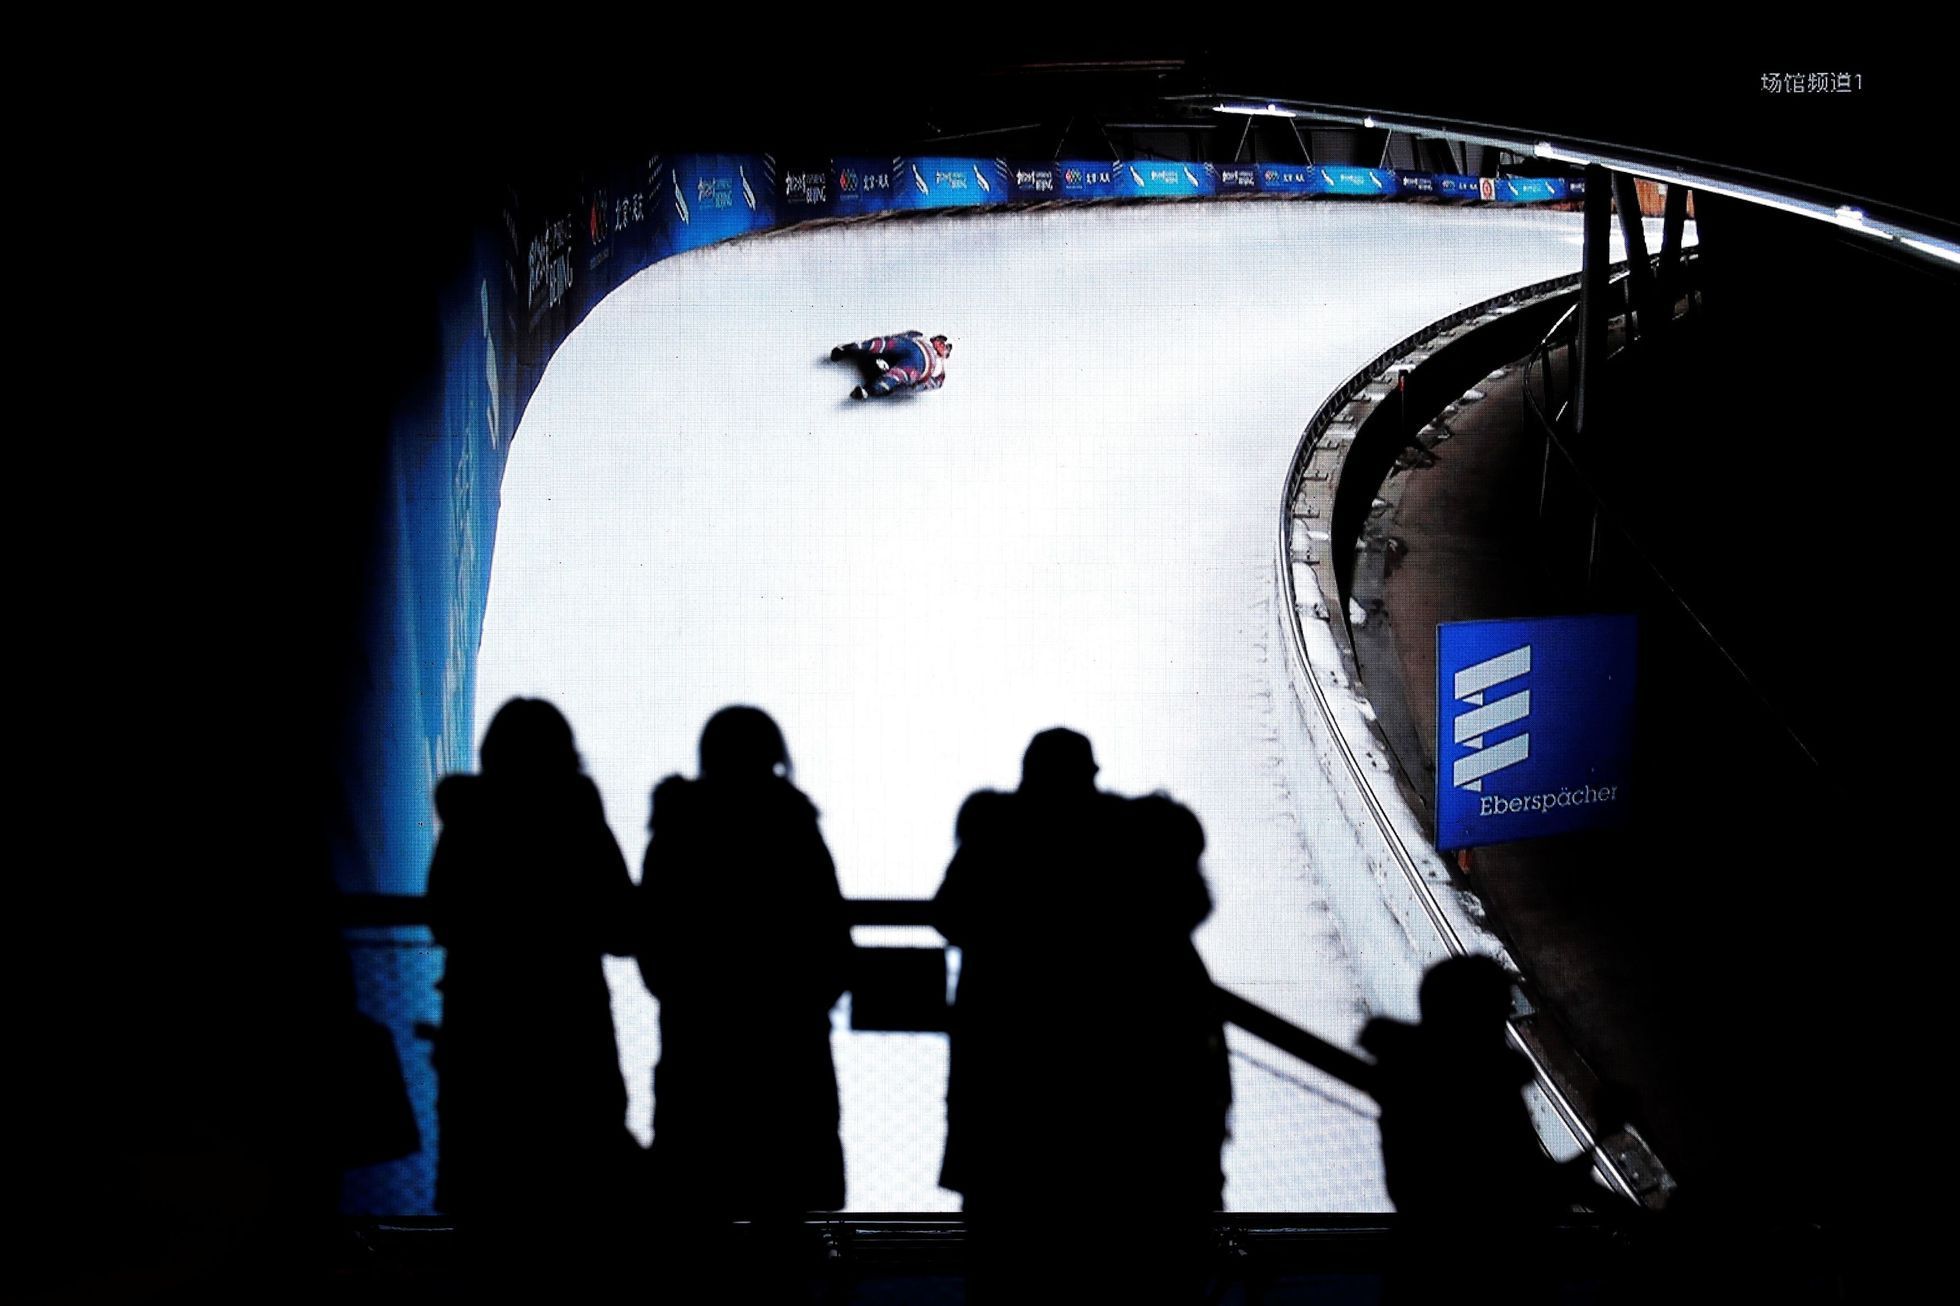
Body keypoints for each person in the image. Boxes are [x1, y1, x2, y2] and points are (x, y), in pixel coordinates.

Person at [932, 728, 1229, 1301]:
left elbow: (950, 916)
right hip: (1122, 1099)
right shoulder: (1133, 841)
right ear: (1090, 775)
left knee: (1007, 1262)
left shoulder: (994, 836)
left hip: (1005, 1093)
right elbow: (1186, 908)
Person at [425, 698, 639, 1244]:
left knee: (487, 1194)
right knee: (578, 1191)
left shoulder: (468, 814)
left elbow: (442, 917)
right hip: (571, 1022)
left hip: (481, 1025)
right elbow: (620, 922)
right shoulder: (576, 809)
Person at [637, 706, 852, 1223]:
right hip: (788, 1041)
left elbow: (652, 934)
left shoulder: (677, 827)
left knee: (698, 1203)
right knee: (785, 1207)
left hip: (698, 1038)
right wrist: (809, 999)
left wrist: (684, 992)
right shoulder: (793, 825)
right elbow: (829, 928)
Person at [830, 331, 951, 399]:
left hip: (918, 366)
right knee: (885, 344)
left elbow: (934, 384)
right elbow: (901, 336)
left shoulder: (938, 368)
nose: (941, 345)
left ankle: (868, 390)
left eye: (945, 347)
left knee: (899, 375)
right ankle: (849, 349)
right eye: (941, 341)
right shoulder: (920, 337)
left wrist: (916, 384)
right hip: (909, 346)